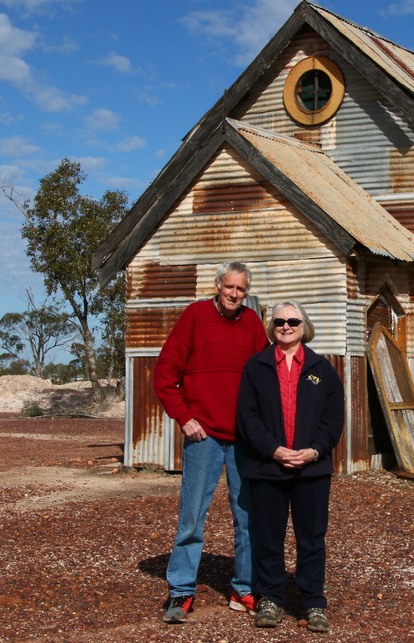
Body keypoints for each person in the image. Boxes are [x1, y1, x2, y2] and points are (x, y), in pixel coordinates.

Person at [154, 262, 268, 624]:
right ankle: (182, 592)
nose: (235, 294)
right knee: (191, 517)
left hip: (242, 440)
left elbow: (265, 376)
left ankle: (244, 589)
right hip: (203, 436)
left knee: (247, 517)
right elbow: (165, 374)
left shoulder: (252, 323)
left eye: (241, 290)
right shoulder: (195, 316)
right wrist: (184, 418)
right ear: (217, 286)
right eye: (230, 287)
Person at [236, 301, 346, 633]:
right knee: (268, 537)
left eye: (293, 320)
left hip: (311, 469)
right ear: (272, 327)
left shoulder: (322, 369)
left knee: (311, 538)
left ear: (303, 325)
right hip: (268, 467)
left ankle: (313, 602)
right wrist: (274, 450)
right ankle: (270, 598)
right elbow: (247, 417)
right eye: (280, 321)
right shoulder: (256, 367)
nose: (286, 326)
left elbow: (333, 419)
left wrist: (313, 451)